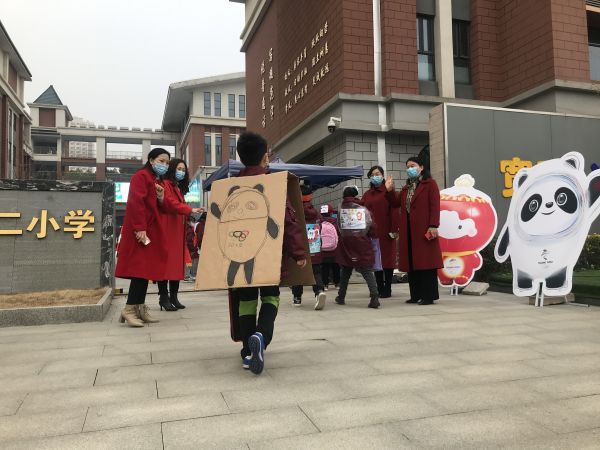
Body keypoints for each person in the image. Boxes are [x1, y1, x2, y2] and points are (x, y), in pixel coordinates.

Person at [233, 131, 307, 374]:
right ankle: (261, 336)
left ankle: (247, 351)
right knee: (270, 298)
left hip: (240, 257)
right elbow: (289, 220)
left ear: (241, 157)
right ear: (265, 157)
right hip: (269, 255)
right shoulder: (273, 184)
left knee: (246, 302)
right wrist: (298, 253)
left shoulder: (231, 185)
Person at [115, 147, 171, 327]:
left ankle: (139, 308)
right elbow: (135, 203)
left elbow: (161, 208)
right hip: (140, 231)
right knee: (140, 271)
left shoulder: (155, 180)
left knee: (146, 271)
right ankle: (129, 309)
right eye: (161, 161)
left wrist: (161, 197)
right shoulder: (141, 176)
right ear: (151, 160)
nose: (164, 165)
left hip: (149, 231)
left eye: (167, 162)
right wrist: (140, 228)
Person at [385, 156, 443, 305]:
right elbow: (395, 203)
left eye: (413, 165)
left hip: (424, 229)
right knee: (411, 262)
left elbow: (435, 205)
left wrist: (433, 225)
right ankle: (415, 295)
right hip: (408, 230)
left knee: (426, 263)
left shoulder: (430, 184)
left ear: (421, 167)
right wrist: (390, 190)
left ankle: (428, 296)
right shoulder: (407, 187)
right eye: (408, 167)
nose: (410, 169)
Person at [157, 158, 203, 311]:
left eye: (183, 170)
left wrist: (190, 213)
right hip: (168, 230)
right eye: (179, 169)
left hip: (177, 231)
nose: (181, 172)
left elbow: (179, 206)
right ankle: (164, 297)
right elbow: (171, 203)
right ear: (172, 169)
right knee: (166, 266)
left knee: (177, 265)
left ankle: (174, 297)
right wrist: (190, 210)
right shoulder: (165, 184)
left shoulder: (177, 188)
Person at [334, 186, 380, 309]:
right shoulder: (363, 210)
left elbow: (338, 228)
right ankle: (374, 296)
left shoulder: (340, 210)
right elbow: (372, 228)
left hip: (346, 244)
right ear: (356, 196)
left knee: (345, 271)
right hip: (362, 244)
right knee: (367, 271)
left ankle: (341, 297)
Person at [362, 165, 401, 299]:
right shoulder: (367, 194)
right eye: (372, 175)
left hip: (386, 231)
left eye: (377, 174)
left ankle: (387, 288)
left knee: (388, 260)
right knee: (376, 261)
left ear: (383, 175)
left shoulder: (388, 191)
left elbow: (395, 210)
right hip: (371, 233)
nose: (375, 177)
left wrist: (394, 229)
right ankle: (379, 287)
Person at [291, 180, 327, 310]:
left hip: (299, 248)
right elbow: (321, 225)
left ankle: (297, 298)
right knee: (316, 272)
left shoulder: (295, 213)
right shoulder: (316, 213)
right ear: (310, 197)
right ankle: (319, 291)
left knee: (298, 272)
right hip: (315, 248)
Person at [320, 204, 340, 290]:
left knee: (324, 267)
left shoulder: (318, 222)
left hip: (323, 249)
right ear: (331, 213)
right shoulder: (336, 222)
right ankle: (337, 283)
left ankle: (325, 284)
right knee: (336, 266)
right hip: (335, 249)